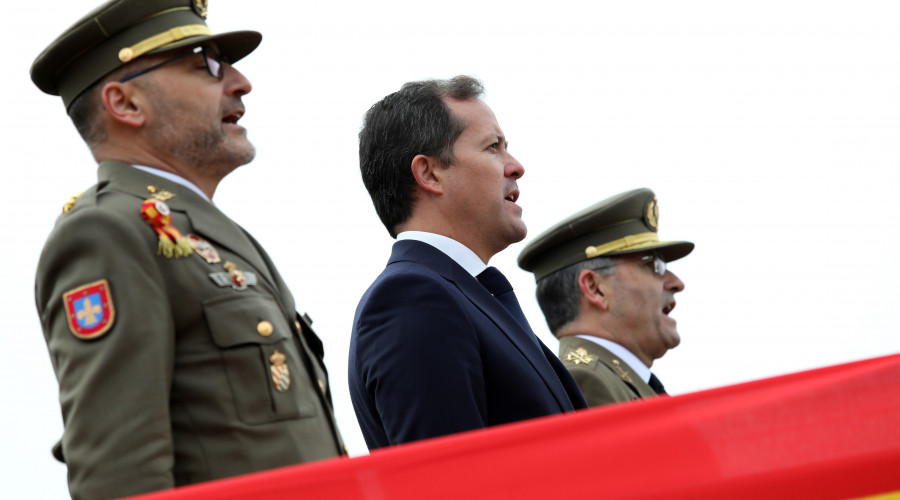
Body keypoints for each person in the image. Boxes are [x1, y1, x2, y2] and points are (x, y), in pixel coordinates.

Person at [30, 1, 344, 498]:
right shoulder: (108, 232)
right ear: (126, 104)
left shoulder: (213, 234)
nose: (240, 82)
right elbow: (119, 472)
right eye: (206, 65)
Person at [349, 75, 588, 450]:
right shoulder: (411, 297)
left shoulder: (463, 294)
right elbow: (446, 483)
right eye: (493, 147)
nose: (516, 166)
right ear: (429, 174)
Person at [518, 188, 693, 407]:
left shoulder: (618, 379)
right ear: (595, 288)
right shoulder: (587, 380)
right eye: (652, 265)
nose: (676, 282)